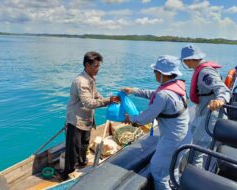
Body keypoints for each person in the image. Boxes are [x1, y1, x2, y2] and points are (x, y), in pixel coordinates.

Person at [123, 55, 192, 190]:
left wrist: (130, 118)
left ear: (161, 74)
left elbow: (145, 118)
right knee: (173, 169)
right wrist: (134, 91)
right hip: (185, 137)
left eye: (155, 71)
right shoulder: (177, 86)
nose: (154, 74)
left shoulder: (164, 94)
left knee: (158, 171)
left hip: (173, 140)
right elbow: (154, 94)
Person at [62, 51, 120, 180]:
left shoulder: (91, 78)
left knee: (84, 144)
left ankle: (82, 163)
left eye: (99, 66)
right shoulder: (81, 82)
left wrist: (109, 99)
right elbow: (88, 103)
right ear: (87, 65)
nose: (98, 69)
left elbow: (96, 95)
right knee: (73, 150)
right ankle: (67, 174)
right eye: (96, 66)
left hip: (87, 118)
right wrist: (108, 100)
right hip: (76, 120)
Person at [180, 44, 231, 168]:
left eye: (185, 60)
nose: (185, 63)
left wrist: (220, 99)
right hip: (202, 113)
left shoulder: (205, 72)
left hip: (209, 117)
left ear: (190, 60)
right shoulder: (202, 69)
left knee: (197, 151)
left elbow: (223, 90)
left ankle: (193, 180)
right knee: (193, 138)